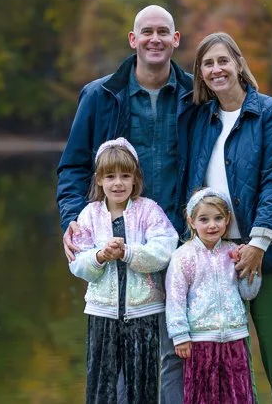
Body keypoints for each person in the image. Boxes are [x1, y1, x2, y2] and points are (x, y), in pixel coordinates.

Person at [58, 5, 194, 403]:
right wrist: (72, 220)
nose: (155, 39)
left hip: (181, 240)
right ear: (133, 40)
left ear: (175, 40)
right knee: (118, 355)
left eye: (163, 32)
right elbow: (73, 166)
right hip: (118, 246)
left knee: (178, 350)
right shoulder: (101, 96)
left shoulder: (194, 95)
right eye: (146, 32)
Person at [183, 32, 272, 403]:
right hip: (212, 255)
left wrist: (258, 243)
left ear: (239, 64)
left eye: (223, 60)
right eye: (207, 64)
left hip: (264, 253)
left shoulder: (271, 114)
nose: (216, 69)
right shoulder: (200, 118)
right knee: (224, 356)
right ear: (201, 74)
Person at [69, 138, 179, 404]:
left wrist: (129, 252)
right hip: (102, 312)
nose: (118, 183)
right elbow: (78, 262)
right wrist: (99, 256)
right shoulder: (89, 215)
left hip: (143, 313)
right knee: (101, 384)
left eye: (125, 176)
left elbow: (165, 250)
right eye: (110, 176)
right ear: (99, 180)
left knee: (142, 385)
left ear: (135, 179)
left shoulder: (148, 211)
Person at [166, 187, 259, 404]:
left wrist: (248, 267)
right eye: (204, 219)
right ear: (191, 221)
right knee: (203, 397)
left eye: (218, 218)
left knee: (236, 395)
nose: (212, 225)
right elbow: (175, 298)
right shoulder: (183, 256)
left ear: (227, 220)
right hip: (200, 341)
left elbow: (249, 293)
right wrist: (180, 335)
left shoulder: (233, 252)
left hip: (234, 338)